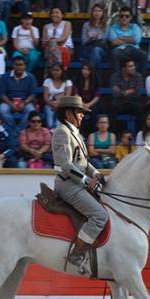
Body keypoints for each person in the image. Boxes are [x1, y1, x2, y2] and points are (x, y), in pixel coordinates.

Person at [52, 95, 107, 268]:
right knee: (99, 216)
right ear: (68, 113)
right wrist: (86, 180)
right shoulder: (62, 132)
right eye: (79, 112)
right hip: (67, 184)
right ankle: (76, 254)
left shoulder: (75, 133)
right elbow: (66, 165)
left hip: (75, 182)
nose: (82, 115)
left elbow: (83, 162)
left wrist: (96, 174)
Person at [0, 56, 38, 130]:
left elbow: (33, 94)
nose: (19, 67)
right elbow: (2, 94)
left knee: (31, 110)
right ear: (13, 65)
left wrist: (24, 103)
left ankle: (19, 130)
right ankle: (14, 128)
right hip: (9, 102)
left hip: (25, 101)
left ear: (25, 66)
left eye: (21, 65)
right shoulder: (5, 77)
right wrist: (10, 103)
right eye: (16, 64)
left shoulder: (31, 77)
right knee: (2, 109)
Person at [107, 6, 148, 74]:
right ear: (118, 17)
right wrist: (130, 39)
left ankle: (141, 81)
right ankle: (117, 81)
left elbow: (136, 40)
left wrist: (120, 37)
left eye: (127, 16)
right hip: (120, 51)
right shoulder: (113, 27)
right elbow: (114, 41)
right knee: (114, 53)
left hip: (133, 50)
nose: (124, 18)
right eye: (122, 16)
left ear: (130, 18)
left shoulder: (135, 27)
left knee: (144, 55)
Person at [110, 59, 144, 134]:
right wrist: (131, 90)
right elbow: (116, 94)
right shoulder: (115, 77)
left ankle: (140, 135)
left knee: (141, 108)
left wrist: (123, 92)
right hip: (120, 103)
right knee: (112, 108)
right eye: (130, 66)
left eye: (133, 66)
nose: (133, 68)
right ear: (123, 68)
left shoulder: (138, 76)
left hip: (133, 102)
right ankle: (113, 135)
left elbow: (138, 93)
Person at [73, 62, 102, 138]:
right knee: (77, 111)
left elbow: (97, 96)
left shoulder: (95, 80)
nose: (85, 71)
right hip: (80, 103)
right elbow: (76, 93)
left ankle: (93, 134)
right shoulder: (77, 79)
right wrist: (82, 103)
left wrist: (88, 104)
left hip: (92, 103)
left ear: (91, 71)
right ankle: (79, 133)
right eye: (84, 69)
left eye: (88, 69)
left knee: (94, 111)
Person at [43, 63, 73, 128]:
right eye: (53, 70)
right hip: (50, 104)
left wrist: (58, 104)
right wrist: (51, 103)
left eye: (57, 70)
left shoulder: (67, 82)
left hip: (63, 105)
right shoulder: (47, 81)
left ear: (62, 71)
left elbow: (67, 96)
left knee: (59, 124)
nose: (55, 72)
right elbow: (45, 96)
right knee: (50, 124)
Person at [81, 3, 108, 76]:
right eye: (95, 11)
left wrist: (94, 38)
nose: (97, 13)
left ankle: (92, 77)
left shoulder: (106, 25)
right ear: (92, 12)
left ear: (103, 13)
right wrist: (91, 38)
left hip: (101, 49)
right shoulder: (86, 25)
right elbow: (83, 41)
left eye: (99, 11)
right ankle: (96, 79)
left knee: (96, 51)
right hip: (88, 49)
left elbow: (104, 40)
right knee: (95, 54)